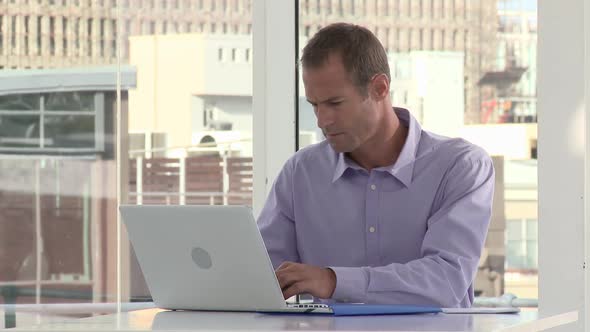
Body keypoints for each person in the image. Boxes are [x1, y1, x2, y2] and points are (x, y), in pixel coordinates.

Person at [257, 23, 494, 308]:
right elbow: (261, 276)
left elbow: (446, 280)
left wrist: (333, 281)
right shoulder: (300, 172)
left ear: (380, 88)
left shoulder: (460, 167)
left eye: (335, 103)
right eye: (314, 105)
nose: (322, 120)